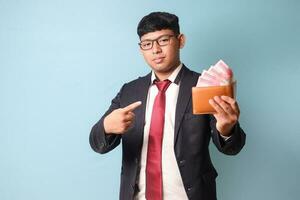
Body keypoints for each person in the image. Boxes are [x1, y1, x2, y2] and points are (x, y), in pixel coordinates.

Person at [89, 11, 246, 200]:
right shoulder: (129, 91)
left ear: (180, 41)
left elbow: (232, 147)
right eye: (147, 44)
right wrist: (107, 126)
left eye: (163, 40)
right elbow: (96, 143)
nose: (155, 49)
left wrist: (226, 129)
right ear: (141, 49)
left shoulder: (204, 85)